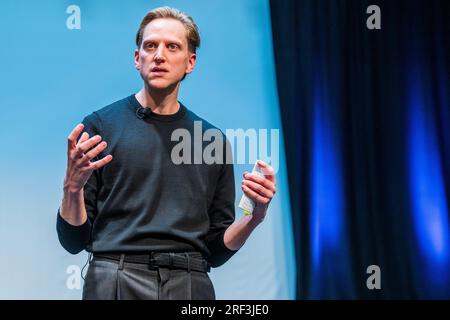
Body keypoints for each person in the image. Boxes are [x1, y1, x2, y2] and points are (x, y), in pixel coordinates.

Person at [57, 6, 276, 300]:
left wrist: (254, 218)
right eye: (150, 46)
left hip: (190, 283)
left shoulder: (210, 141)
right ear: (138, 59)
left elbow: (216, 249)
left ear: (190, 62)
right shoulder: (99, 127)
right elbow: (73, 240)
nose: (159, 55)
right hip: (114, 279)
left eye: (172, 46)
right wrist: (71, 188)